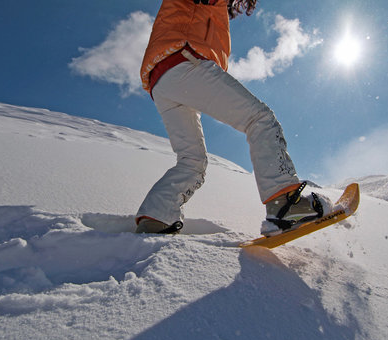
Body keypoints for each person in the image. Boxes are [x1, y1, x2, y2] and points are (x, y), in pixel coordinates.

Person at [135, 0, 333, 234]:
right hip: (184, 60)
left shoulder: (216, 8)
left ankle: (156, 215)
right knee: (260, 119)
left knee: (192, 160)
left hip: (162, 80)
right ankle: (284, 204)